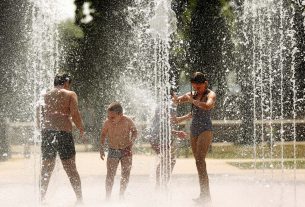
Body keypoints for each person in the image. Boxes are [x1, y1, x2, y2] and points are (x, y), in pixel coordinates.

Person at [38, 73, 85, 204]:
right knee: (71, 168)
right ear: (66, 83)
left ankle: (41, 199)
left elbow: (39, 115)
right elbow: (75, 114)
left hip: (47, 133)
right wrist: (81, 128)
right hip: (64, 133)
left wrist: (42, 128)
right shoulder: (70, 94)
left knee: (46, 168)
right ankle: (80, 199)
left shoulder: (44, 95)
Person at [176, 72, 216, 205]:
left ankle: (206, 195)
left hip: (205, 129)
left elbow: (207, 106)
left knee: (200, 160)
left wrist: (191, 100)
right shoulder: (192, 94)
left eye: (198, 87)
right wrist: (174, 98)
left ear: (205, 84)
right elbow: (176, 100)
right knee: (198, 163)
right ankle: (203, 194)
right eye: (194, 87)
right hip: (194, 129)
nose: (196, 89)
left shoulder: (210, 94)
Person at [148, 90, 191, 188]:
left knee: (166, 160)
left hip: (154, 136)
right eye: (176, 95)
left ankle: (160, 184)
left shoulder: (161, 105)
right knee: (169, 160)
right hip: (160, 137)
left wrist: (176, 132)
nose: (178, 97)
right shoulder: (171, 105)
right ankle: (161, 185)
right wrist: (187, 117)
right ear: (172, 96)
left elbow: (163, 125)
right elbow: (173, 121)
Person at [99, 102, 137, 200]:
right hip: (113, 150)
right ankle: (107, 197)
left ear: (121, 115)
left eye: (112, 117)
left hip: (126, 150)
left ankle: (121, 195)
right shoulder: (107, 123)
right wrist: (101, 147)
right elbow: (103, 134)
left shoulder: (127, 121)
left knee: (125, 173)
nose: (109, 119)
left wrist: (131, 142)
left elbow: (134, 131)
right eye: (108, 116)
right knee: (110, 174)